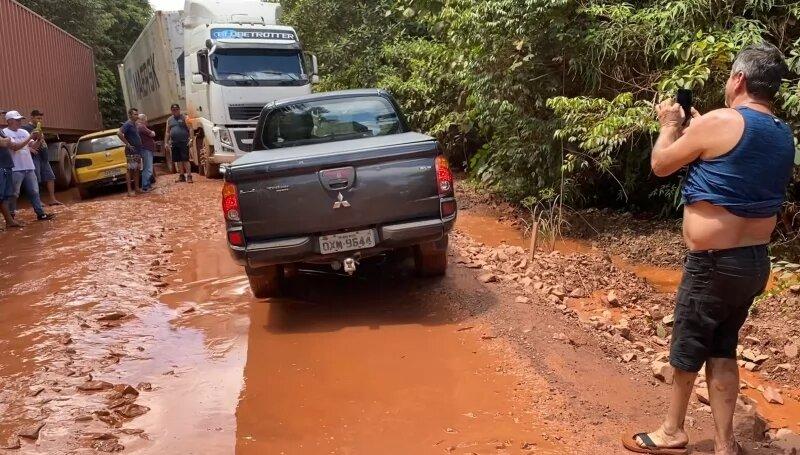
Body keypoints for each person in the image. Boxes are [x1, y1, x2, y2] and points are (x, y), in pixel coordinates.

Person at [623, 43, 795, 455]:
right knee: (723, 346)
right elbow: (737, 166)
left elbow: (662, 163)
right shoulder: (782, 133)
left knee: (688, 344)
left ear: (739, 79)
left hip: (713, 263)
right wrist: (703, 129)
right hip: (753, 263)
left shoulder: (720, 121)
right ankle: (724, 443)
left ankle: (672, 431)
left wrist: (669, 123)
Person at [2, 111, 54, 221]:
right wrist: (31, 136)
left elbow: (34, 147)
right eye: (17, 120)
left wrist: (39, 139)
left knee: (34, 191)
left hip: (29, 166)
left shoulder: (24, 131)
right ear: (9, 121)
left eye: (20, 119)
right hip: (15, 168)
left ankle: (41, 214)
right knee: (14, 194)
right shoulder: (4, 133)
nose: (19, 122)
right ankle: (11, 217)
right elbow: (15, 147)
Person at [22, 110, 62, 205]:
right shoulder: (26, 128)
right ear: (31, 117)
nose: (40, 120)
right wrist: (30, 149)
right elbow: (22, 141)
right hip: (35, 157)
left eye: (41, 118)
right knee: (36, 179)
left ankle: (52, 199)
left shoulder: (38, 127)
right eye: (38, 118)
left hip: (44, 156)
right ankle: (38, 201)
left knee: (50, 177)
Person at [0, 111, 23, 229]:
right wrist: (6, 140)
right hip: (1, 166)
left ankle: (9, 221)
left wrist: (6, 140)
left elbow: (10, 144)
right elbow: (4, 143)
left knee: (5, 196)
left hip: (6, 165)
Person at [165, 103, 193, 183]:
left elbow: (190, 129)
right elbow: (167, 132)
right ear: (171, 111)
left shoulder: (185, 117)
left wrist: (191, 139)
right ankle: (181, 176)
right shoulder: (169, 120)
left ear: (179, 110)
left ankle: (189, 176)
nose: (175, 111)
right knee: (178, 160)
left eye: (177, 109)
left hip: (184, 142)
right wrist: (166, 142)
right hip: (174, 142)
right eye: (173, 110)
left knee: (185, 159)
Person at [117, 108, 143, 195]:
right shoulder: (128, 124)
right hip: (131, 151)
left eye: (137, 114)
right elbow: (119, 133)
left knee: (136, 169)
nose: (137, 116)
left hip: (137, 150)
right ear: (130, 115)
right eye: (135, 114)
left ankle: (137, 189)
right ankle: (129, 191)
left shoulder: (134, 124)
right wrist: (127, 144)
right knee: (130, 169)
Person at [137, 113, 156, 192]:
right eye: (146, 120)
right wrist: (152, 131)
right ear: (143, 119)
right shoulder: (141, 127)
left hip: (145, 149)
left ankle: (147, 185)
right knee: (148, 168)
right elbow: (152, 134)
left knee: (146, 167)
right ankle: (145, 186)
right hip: (146, 149)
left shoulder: (138, 127)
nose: (146, 122)